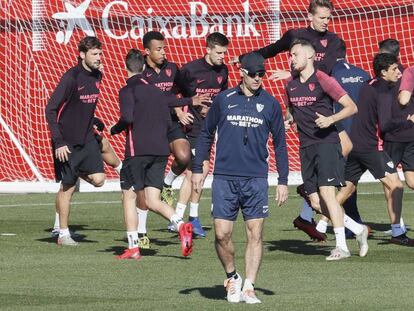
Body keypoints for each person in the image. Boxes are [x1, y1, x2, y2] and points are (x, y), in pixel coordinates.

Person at [192, 52, 289, 303]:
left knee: (255, 234)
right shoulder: (224, 100)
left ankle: (249, 286)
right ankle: (232, 277)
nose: (258, 78)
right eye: (253, 74)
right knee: (222, 234)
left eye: (262, 74)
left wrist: (283, 181)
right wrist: (197, 167)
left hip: (256, 179)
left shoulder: (271, 104)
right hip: (224, 177)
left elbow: (280, 144)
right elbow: (205, 134)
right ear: (242, 73)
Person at [285, 38, 369, 260]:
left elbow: (352, 107)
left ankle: (341, 247)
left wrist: (331, 119)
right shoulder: (291, 84)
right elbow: (291, 111)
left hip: (327, 144)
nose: (291, 58)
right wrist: (289, 120)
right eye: (290, 55)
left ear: (310, 56)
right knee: (314, 201)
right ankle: (358, 229)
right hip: (306, 146)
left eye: (295, 54)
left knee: (327, 193)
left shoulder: (323, 79)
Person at [110, 49, 194, 259]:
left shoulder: (127, 90)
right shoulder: (158, 92)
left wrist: (114, 129)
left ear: (126, 67)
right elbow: (167, 122)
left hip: (137, 152)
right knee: (152, 199)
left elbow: (127, 117)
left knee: (129, 196)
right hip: (160, 151)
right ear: (145, 68)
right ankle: (181, 224)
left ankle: (133, 246)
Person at [135, 31, 208, 248]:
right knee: (142, 187)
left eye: (164, 48)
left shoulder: (172, 68)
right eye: (158, 49)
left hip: (169, 124)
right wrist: (184, 102)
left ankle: (168, 182)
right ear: (146, 51)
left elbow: (183, 91)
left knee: (185, 157)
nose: (163, 53)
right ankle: (140, 232)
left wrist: (193, 106)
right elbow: (160, 98)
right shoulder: (141, 72)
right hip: (149, 128)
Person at [336, 53, 414, 245]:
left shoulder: (368, 84)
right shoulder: (384, 92)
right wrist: (407, 122)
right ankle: (397, 233)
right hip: (371, 147)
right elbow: (386, 125)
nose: (399, 72)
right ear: (383, 72)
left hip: (356, 144)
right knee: (395, 186)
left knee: (347, 189)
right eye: (395, 69)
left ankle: (320, 220)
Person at [45, 36, 106, 246]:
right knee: (68, 187)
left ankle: (73, 171)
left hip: (87, 137)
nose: (99, 58)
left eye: (100, 53)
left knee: (99, 179)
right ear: (82, 55)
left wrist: (95, 120)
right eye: (94, 54)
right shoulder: (71, 77)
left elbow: (83, 106)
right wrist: (59, 141)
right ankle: (63, 234)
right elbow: (51, 109)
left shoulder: (98, 75)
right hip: (67, 141)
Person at [168, 32, 229, 237]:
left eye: (224, 52)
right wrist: (178, 112)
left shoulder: (224, 71)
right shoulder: (190, 70)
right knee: (199, 170)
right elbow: (171, 94)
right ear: (208, 49)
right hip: (192, 127)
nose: (222, 56)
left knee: (195, 172)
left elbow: (222, 98)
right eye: (219, 52)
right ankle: (191, 218)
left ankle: (176, 216)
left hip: (209, 128)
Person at [314, 39, 370, 238]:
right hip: (365, 137)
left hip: (341, 137)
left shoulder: (329, 76)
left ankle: (324, 222)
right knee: (352, 182)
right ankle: (357, 224)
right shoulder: (363, 74)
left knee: (336, 183)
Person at [231, 0, 341, 77]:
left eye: (328, 18)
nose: (326, 22)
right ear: (310, 16)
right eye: (322, 18)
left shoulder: (334, 40)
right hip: (297, 90)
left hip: (323, 96)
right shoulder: (295, 35)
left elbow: (325, 68)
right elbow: (270, 50)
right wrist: (243, 58)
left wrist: (290, 74)